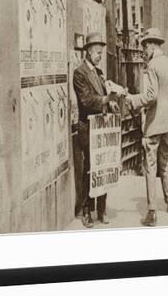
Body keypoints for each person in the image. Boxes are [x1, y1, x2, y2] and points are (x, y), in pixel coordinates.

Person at [126, 28, 168, 227]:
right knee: (166, 162)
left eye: (144, 47)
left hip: (153, 124)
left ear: (151, 45)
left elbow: (150, 96)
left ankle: (152, 212)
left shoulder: (152, 66)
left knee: (150, 166)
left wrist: (133, 100)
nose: (143, 51)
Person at [73, 31, 121, 228]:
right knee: (90, 169)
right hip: (88, 128)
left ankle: (101, 209)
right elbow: (86, 100)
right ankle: (86, 210)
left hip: (101, 128)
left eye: (101, 53)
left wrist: (111, 105)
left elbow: (103, 97)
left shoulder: (99, 74)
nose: (100, 56)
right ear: (88, 52)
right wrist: (105, 100)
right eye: (98, 53)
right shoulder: (80, 73)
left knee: (103, 168)